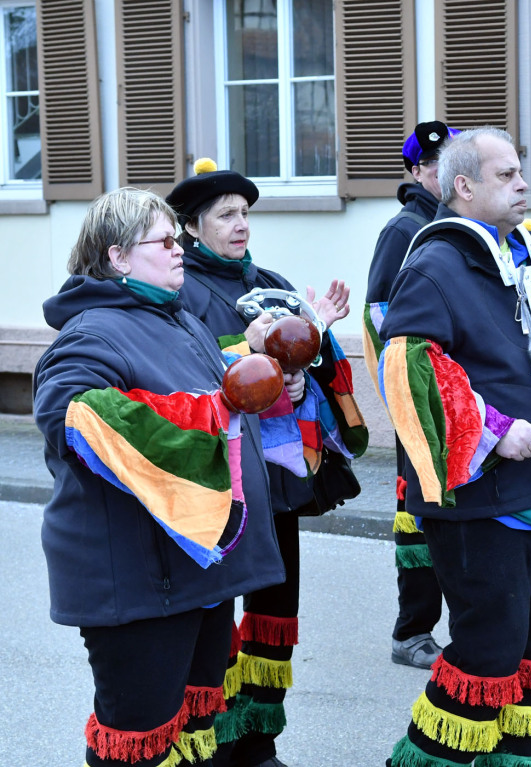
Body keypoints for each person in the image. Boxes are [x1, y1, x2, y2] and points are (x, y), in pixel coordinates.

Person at [378, 127, 531, 767]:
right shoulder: (435, 264)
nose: (523, 185)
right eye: (507, 174)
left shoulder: (515, 259)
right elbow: (410, 370)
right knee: (487, 653)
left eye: (521, 172)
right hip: (478, 498)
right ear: (464, 186)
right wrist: (490, 428)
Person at [33, 187, 285, 767]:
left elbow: (214, 401)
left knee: (195, 730)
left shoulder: (179, 320)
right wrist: (208, 412)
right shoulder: (92, 332)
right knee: (137, 743)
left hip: (196, 569)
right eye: (165, 240)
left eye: (179, 238)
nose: (180, 250)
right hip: (141, 582)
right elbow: (68, 412)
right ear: (118, 257)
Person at [167, 160, 368, 767]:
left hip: (277, 478)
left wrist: (315, 349)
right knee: (217, 621)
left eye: (245, 213)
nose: (240, 224)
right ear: (192, 227)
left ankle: (260, 740)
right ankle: (218, 739)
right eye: (226, 214)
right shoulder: (183, 290)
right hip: (221, 479)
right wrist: (248, 353)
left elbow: (309, 364)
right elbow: (186, 373)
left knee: (276, 614)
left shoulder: (269, 278)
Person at [364, 120, 460, 669]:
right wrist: (409, 398)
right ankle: (412, 632)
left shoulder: (454, 225)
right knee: (418, 521)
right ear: (419, 173)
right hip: (421, 401)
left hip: (456, 402)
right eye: (436, 166)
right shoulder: (406, 230)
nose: (445, 175)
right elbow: (381, 319)